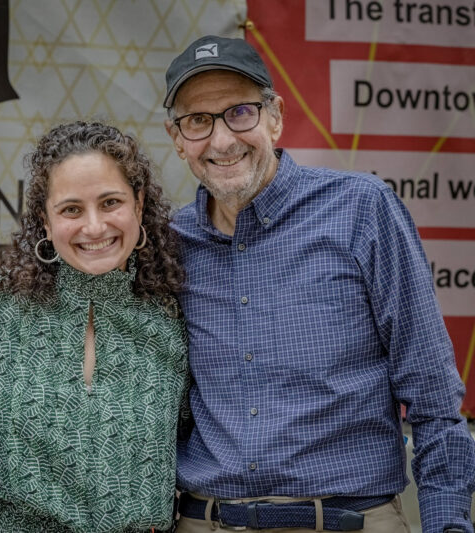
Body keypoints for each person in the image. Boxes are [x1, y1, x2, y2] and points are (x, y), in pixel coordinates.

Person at [163, 35, 475, 533]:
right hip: (207, 520)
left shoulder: (360, 210)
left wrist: (448, 525)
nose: (221, 141)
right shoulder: (168, 245)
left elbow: (434, 397)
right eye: (198, 120)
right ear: (177, 138)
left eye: (239, 112)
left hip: (347, 521)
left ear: (276, 116)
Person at [0, 120, 189, 532]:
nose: (94, 227)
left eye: (110, 202)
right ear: (45, 221)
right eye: (71, 209)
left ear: (139, 204)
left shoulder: (175, 321)